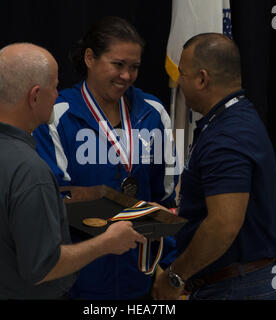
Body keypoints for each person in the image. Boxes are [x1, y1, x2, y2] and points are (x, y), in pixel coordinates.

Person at [0, 43, 145, 300]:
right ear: (34, 96)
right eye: (55, 87)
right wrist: (107, 242)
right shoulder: (30, 170)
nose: (58, 94)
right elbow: (44, 267)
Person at [33, 16, 178, 299]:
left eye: (134, 67)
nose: (126, 75)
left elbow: (166, 198)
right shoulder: (56, 114)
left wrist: (167, 266)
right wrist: (123, 214)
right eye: (118, 64)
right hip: (78, 282)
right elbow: (55, 200)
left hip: (139, 280)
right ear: (90, 58)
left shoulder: (153, 112)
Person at [152, 33, 276, 300]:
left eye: (183, 74)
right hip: (243, 281)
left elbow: (223, 224)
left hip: (237, 287)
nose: (179, 82)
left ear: (202, 79)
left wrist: (174, 276)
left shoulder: (227, 136)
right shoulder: (236, 116)